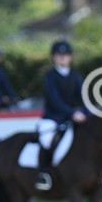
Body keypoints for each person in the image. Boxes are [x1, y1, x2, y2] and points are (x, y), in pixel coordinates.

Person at [36, 39, 86, 191]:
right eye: (59, 55)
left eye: (65, 55)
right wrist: (72, 113)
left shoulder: (75, 76)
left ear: (70, 57)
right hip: (53, 118)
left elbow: (83, 96)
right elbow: (54, 100)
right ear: (54, 57)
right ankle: (44, 173)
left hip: (73, 118)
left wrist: (84, 111)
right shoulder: (50, 77)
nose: (62, 57)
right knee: (46, 139)